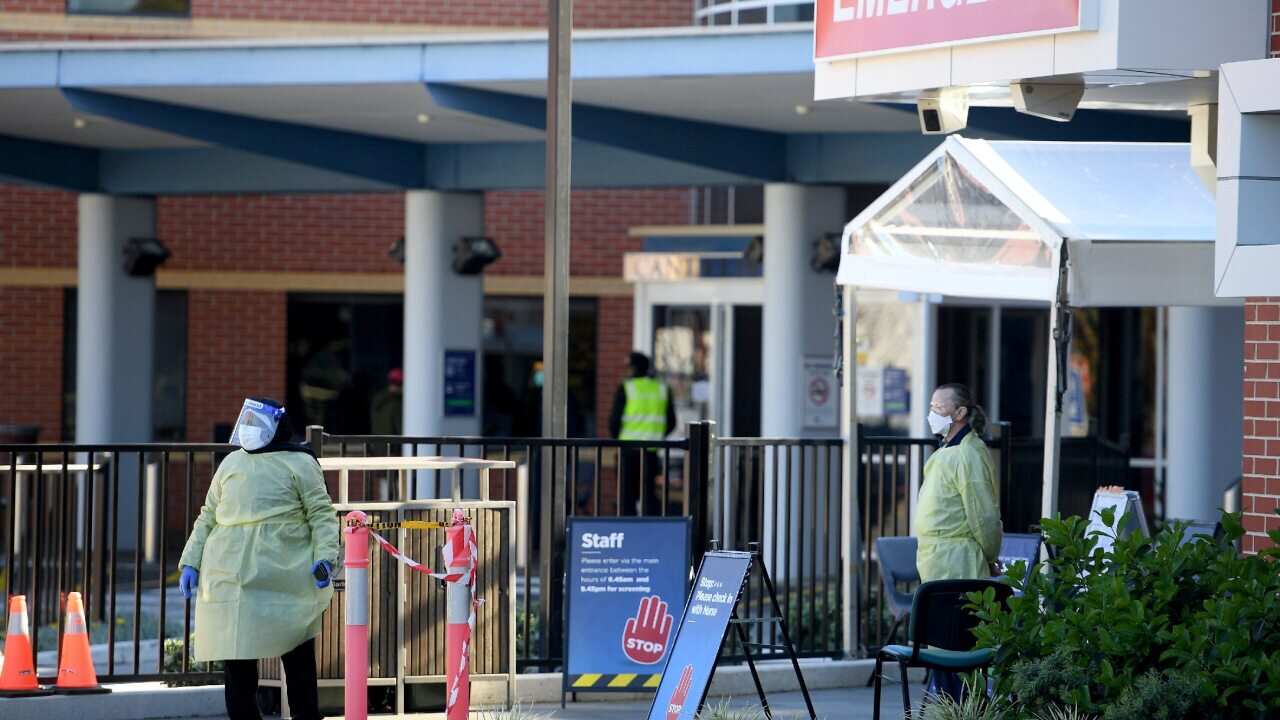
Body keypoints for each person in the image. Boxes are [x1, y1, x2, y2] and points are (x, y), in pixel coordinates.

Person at [178, 397, 339, 720]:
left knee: (297, 659)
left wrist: (325, 557)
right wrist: (191, 561)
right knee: (238, 666)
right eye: (246, 421)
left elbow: (321, 514)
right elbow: (208, 515)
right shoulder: (232, 463)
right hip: (231, 578)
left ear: (277, 426)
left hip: (285, 576)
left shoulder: (300, 463)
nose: (248, 428)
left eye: (256, 422)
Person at [914, 382, 1002, 702]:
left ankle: (966, 709)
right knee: (942, 648)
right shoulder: (949, 450)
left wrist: (990, 553)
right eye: (932, 406)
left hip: (958, 561)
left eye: (939, 407)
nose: (932, 413)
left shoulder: (968, 453)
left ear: (960, 412)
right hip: (939, 561)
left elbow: (984, 515)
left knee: (956, 651)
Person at [608, 352, 676, 515]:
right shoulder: (662, 388)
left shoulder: (627, 387)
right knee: (648, 495)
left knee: (626, 495)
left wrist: (618, 439)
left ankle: (626, 532)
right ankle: (650, 533)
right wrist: (656, 436)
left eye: (628, 367)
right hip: (651, 451)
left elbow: (614, 421)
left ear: (633, 368)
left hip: (628, 450)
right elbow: (671, 422)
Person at [370, 367, 403, 435]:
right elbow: (400, 429)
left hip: (377, 442)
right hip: (392, 443)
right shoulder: (396, 403)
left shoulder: (377, 399)